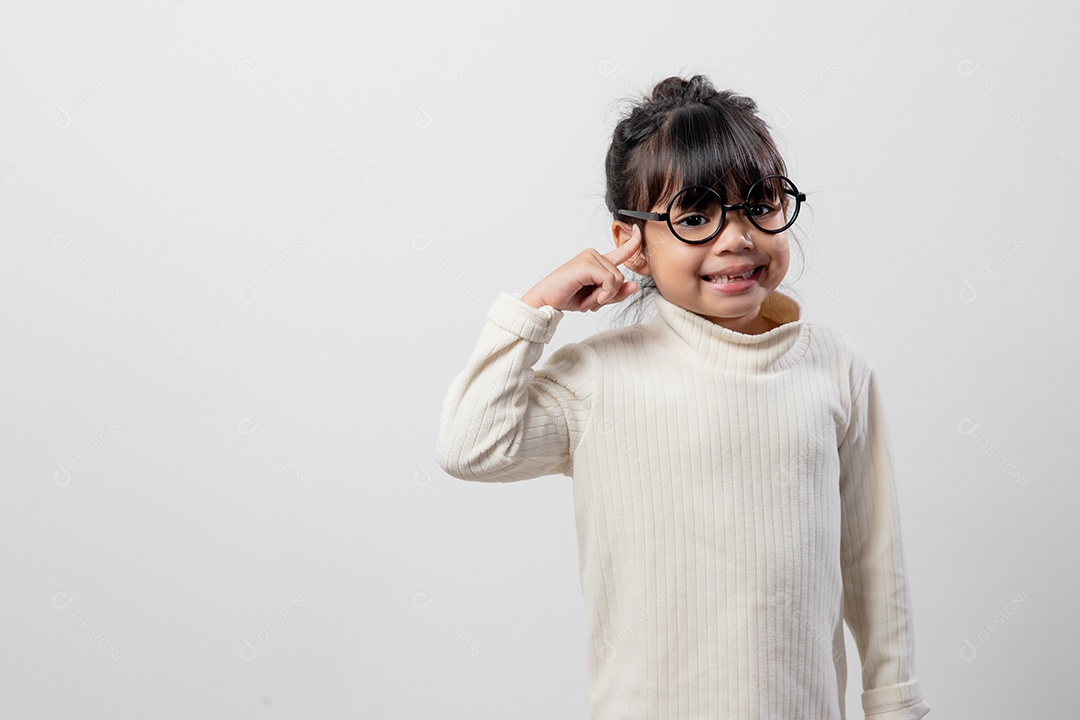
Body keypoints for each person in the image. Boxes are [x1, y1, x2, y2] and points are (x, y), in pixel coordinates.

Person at [435, 74, 930, 720]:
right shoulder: (596, 378)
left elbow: (873, 565)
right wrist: (540, 305)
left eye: (761, 203)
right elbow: (470, 445)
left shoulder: (837, 370)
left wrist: (896, 707)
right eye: (694, 216)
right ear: (630, 242)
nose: (736, 237)